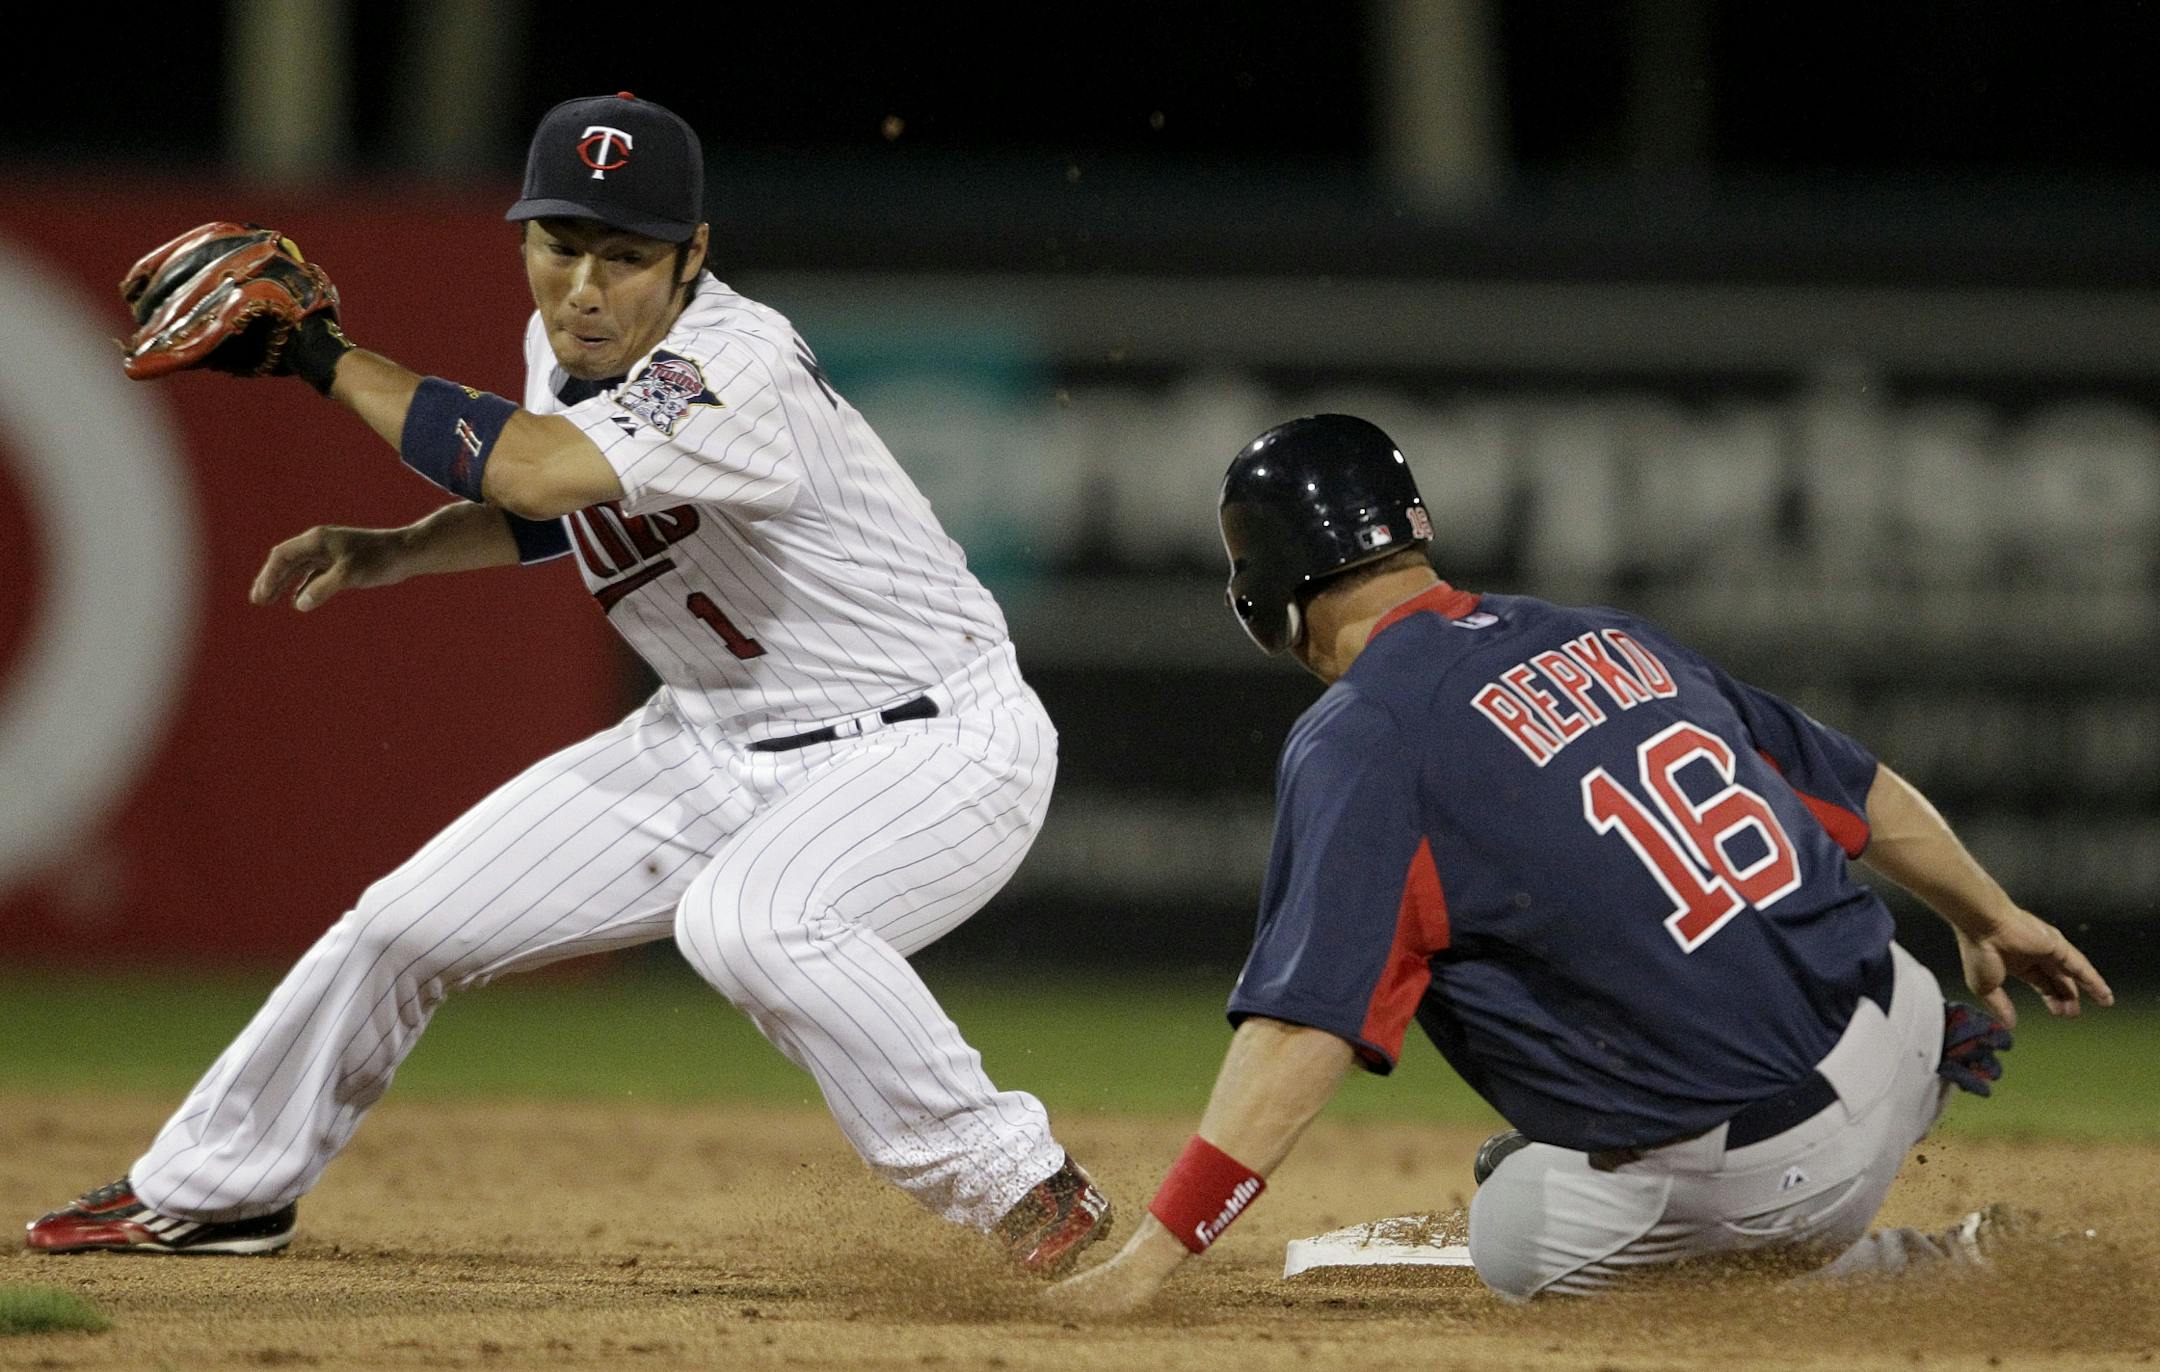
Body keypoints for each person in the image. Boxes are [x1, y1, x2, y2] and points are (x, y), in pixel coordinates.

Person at [27, 92, 1111, 1275]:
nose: (588, 285)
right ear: (523, 238)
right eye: (561, 245)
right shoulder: (562, 348)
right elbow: (566, 512)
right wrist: (399, 548)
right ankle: (217, 1192)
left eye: (628, 255)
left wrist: (318, 354)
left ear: (693, 255)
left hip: (930, 742)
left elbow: (542, 475)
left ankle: (1024, 1183)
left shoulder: (731, 364)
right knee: (400, 927)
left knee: (753, 921)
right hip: (713, 739)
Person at [1048, 413, 2111, 1312]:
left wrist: (1151, 1258)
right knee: (1540, 1151)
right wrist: (1992, 913)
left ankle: (1914, 1271)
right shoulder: (1599, 631)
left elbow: (1304, 1027)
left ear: (1266, 597)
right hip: (1908, 1027)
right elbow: (1856, 785)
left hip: (1779, 1165)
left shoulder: (1368, 729)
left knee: (1518, 1230)